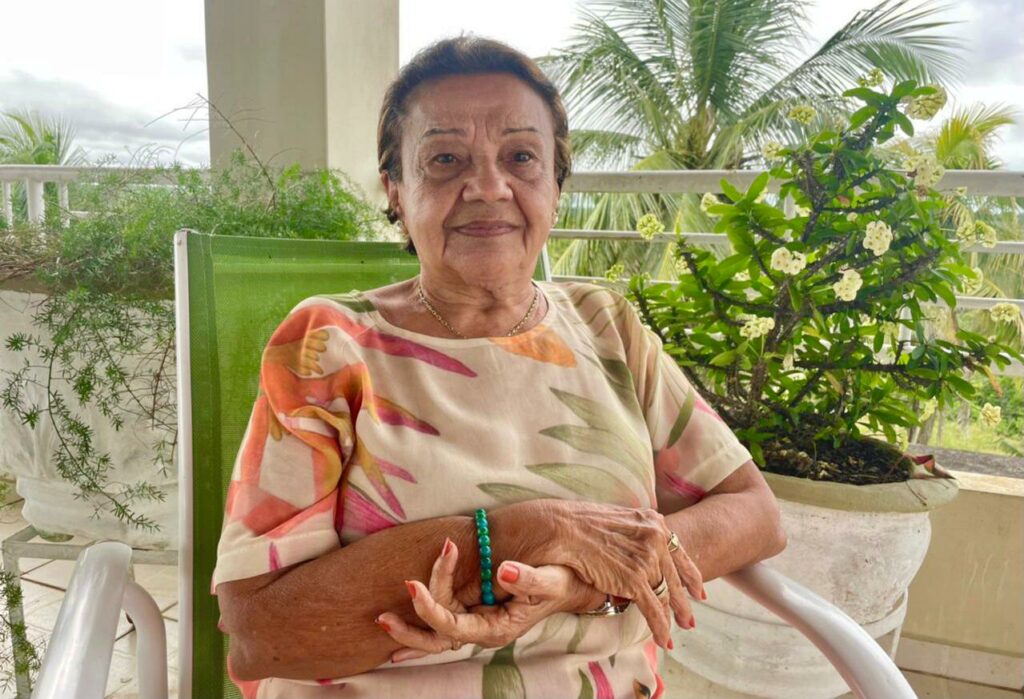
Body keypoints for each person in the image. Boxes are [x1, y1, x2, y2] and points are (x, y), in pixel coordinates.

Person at [213, 35, 786, 699]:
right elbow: (261, 634)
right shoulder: (329, 346)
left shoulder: (605, 324)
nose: (488, 187)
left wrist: (584, 581)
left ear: (556, 187)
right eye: (445, 159)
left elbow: (755, 512)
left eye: (520, 157)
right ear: (395, 189)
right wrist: (523, 536)